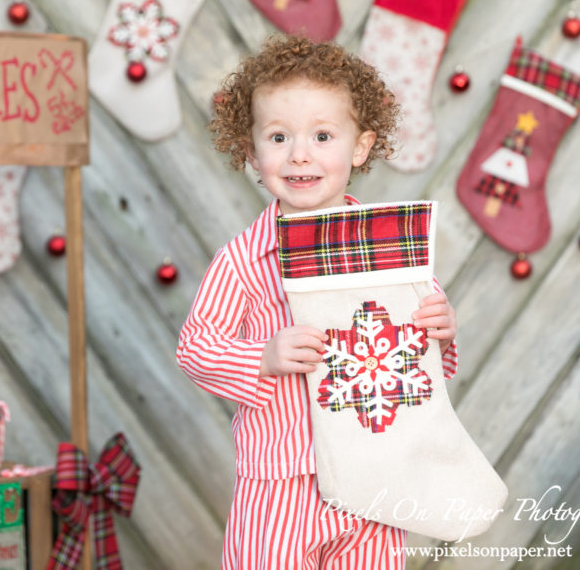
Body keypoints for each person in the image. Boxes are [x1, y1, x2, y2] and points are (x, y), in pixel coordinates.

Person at [176, 34, 458, 569]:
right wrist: (262, 357)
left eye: (323, 135)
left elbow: (421, 343)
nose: (299, 153)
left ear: (360, 146)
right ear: (251, 151)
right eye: (278, 137)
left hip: (372, 468)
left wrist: (441, 327)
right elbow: (195, 349)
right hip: (280, 481)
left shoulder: (387, 247)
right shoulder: (242, 259)